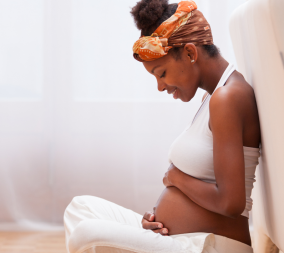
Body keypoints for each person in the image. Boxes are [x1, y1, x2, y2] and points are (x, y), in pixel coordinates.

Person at [64, 1, 261, 252]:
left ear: (190, 53)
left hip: (211, 245)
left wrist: (175, 178)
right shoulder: (212, 97)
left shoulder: (227, 98)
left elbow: (230, 203)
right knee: (80, 207)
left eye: (162, 73)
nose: (160, 86)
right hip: (180, 238)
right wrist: (159, 215)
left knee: (86, 233)